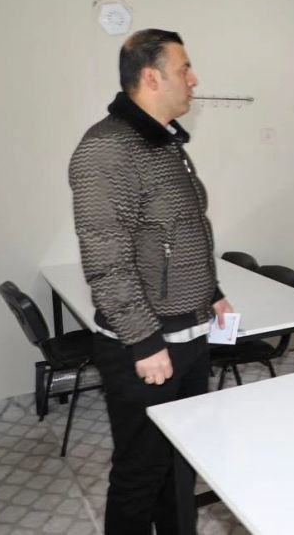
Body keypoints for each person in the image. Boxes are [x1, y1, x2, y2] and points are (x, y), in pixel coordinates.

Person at [69, 28, 233, 534]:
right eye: (184, 69)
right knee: (141, 472)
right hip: (147, 346)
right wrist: (143, 341)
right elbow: (106, 257)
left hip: (190, 335)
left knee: (180, 463)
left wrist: (212, 294)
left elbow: (181, 232)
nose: (194, 79)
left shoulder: (165, 143)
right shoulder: (106, 148)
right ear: (151, 77)